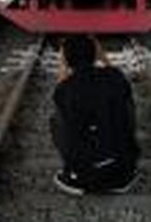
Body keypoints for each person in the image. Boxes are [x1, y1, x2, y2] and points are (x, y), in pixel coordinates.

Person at [51, 35, 140, 195]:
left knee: (57, 119)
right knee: (124, 104)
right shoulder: (116, 77)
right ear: (95, 55)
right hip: (123, 175)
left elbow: (61, 88)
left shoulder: (65, 89)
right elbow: (113, 72)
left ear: (66, 60)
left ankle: (74, 173)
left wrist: (63, 63)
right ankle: (121, 166)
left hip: (82, 179)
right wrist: (102, 57)